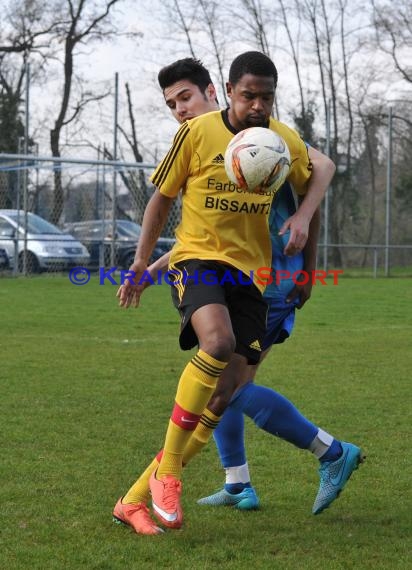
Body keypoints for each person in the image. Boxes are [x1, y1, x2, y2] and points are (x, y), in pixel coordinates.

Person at [113, 52, 360, 536]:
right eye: (249, 95)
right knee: (219, 348)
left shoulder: (279, 140)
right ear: (228, 90)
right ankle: (182, 476)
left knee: (223, 397)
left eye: (266, 96)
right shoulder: (197, 135)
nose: (257, 104)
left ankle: (138, 499)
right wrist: (144, 261)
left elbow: (320, 174)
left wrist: (308, 268)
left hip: (257, 280)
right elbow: (164, 202)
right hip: (200, 264)